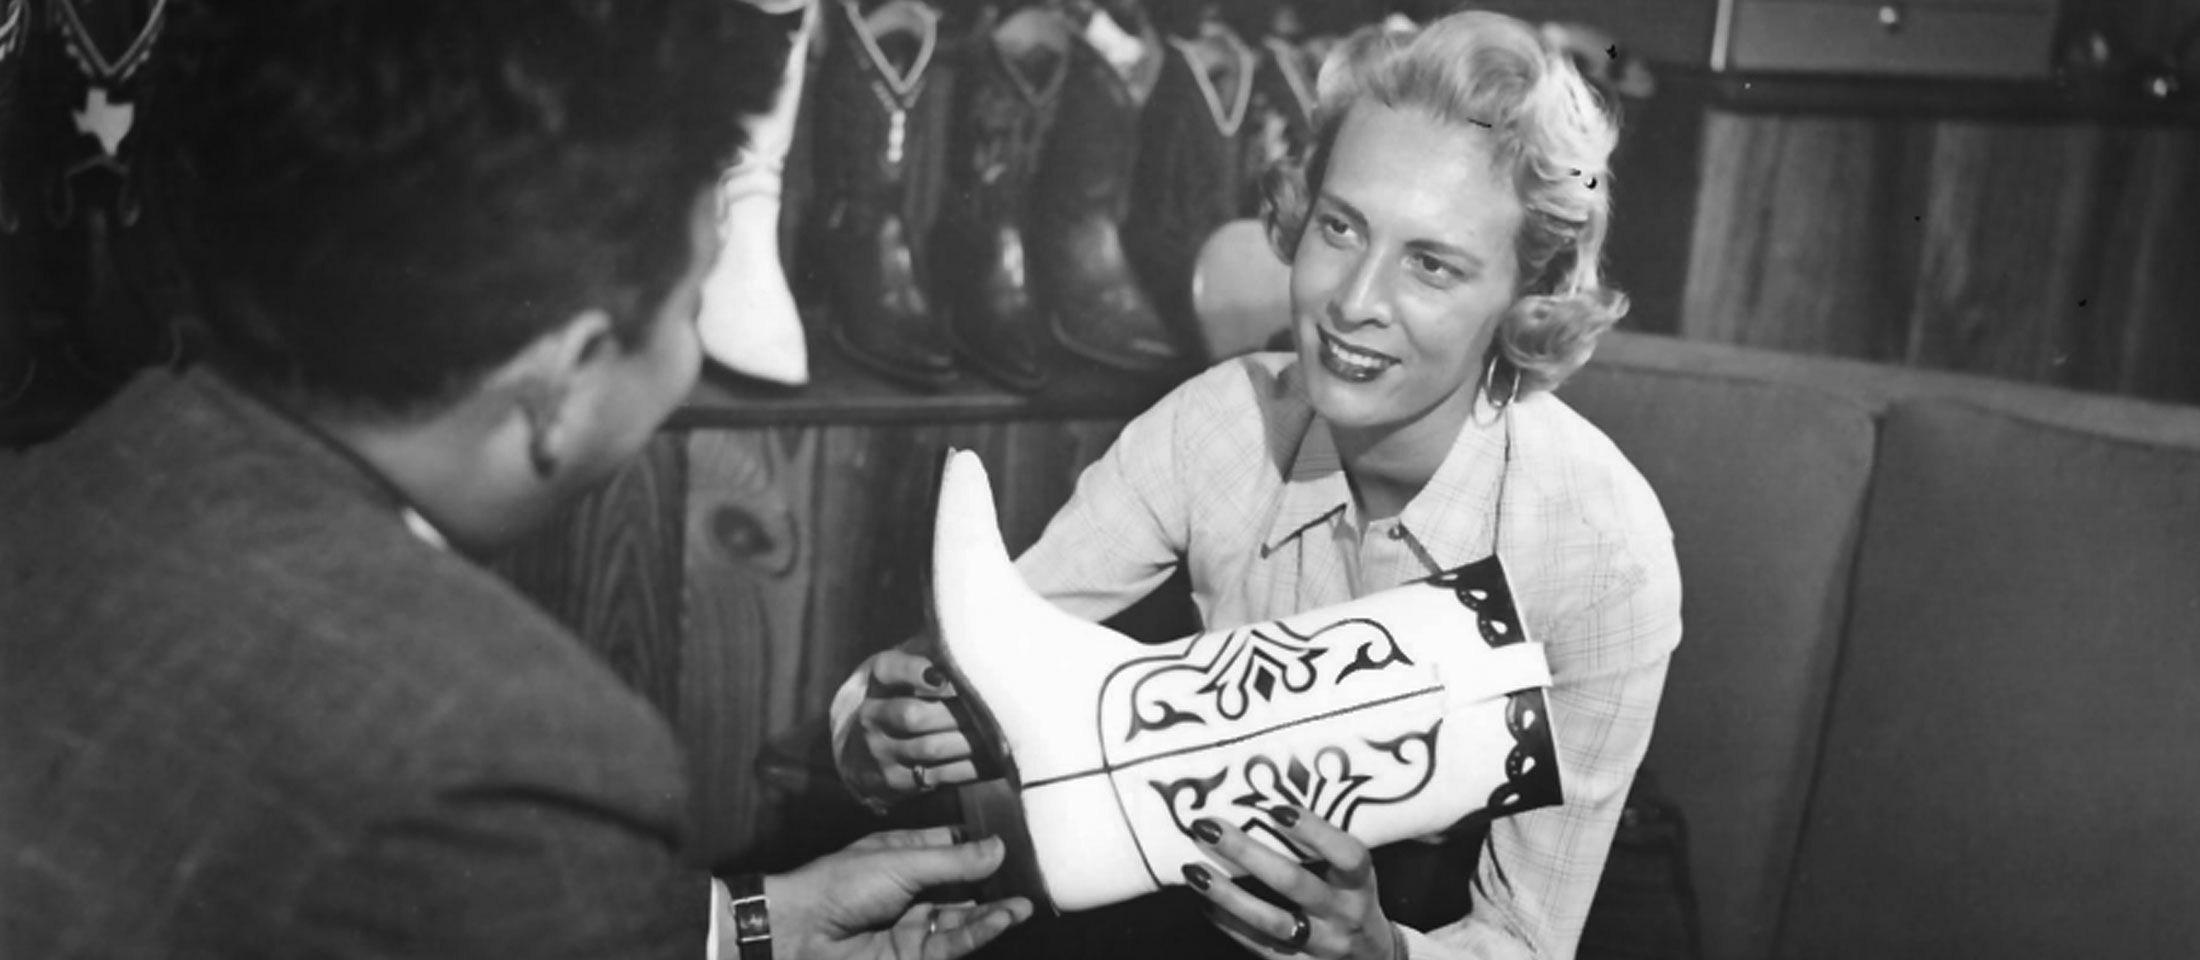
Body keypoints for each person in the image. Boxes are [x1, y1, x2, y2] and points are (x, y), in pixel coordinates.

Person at [0, 2, 1031, 957]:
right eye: (688, 304)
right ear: (560, 382)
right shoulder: (516, 747)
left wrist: (747, 930)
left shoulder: (88, 471)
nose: (687, 353)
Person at [832, 9, 1680, 960]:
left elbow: (1526, 934)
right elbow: (988, 647)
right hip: (1244, 910)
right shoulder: (1220, 424)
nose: (1354, 303)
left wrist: (1379, 953)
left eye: (1432, 265)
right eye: (1340, 227)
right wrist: (876, 734)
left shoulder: (1605, 550)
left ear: (1527, 299)